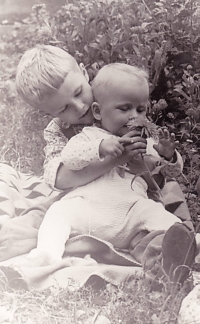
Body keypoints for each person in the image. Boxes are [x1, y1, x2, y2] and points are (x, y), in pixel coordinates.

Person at [25, 63, 197, 287]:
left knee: (165, 220)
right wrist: (100, 148)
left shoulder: (144, 142)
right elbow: (69, 157)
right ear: (98, 111)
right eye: (124, 109)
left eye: (141, 110)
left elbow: (172, 174)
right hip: (89, 209)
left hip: (132, 212)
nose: (133, 117)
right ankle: (47, 255)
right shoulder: (91, 135)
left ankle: (175, 255)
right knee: (58, 213)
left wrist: (168, 156)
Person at [16, 45, 146, 192]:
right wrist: (114, 160)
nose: (79, 107)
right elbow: (58, 179)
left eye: (78, 92)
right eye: (64, 108)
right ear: (50, 113)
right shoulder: (58, 130)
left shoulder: (111, 95)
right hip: (88, 197)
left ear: (84, 72)